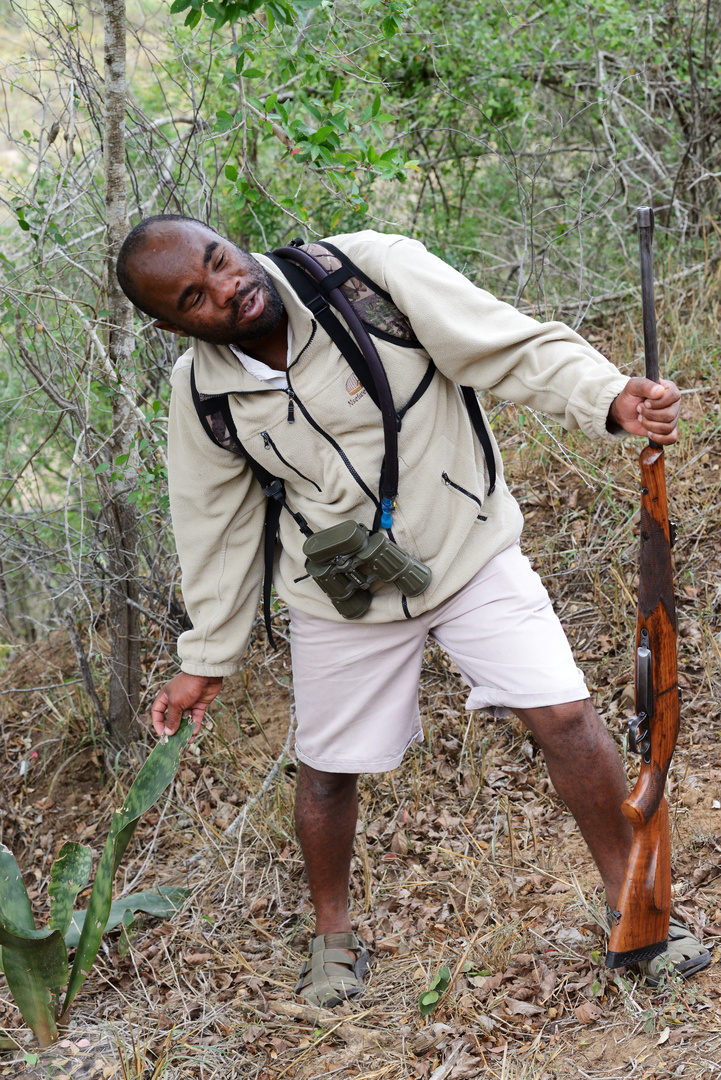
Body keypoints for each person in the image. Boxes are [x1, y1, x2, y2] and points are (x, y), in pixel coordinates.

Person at [116, 215, 710, 1005]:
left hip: (467, 548)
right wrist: (205, 660)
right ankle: (333, 941)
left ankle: (637, 911)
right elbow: (211, 526)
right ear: (170, 323)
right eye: (196, 297)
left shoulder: (367, 276)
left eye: (220, 261)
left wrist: (607, 397)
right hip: (342, 594)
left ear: (228, 239)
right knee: (326, 771)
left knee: (565, 717)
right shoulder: (202, 392)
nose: (228, 289)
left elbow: (507, 345)